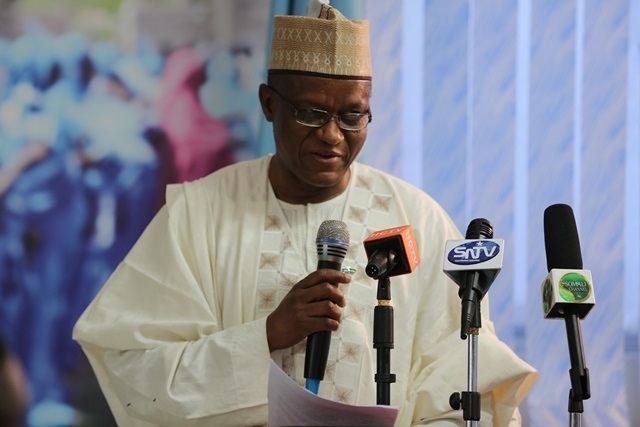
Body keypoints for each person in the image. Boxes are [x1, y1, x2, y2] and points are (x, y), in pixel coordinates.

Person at [72, 1, 538, 426]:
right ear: (268, 104)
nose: (332, 136)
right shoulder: (199, 215)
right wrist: (267, 335)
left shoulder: (418, 219)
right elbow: (134, 371)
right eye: (312, 113)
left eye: (352, 116)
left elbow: (462, 380)